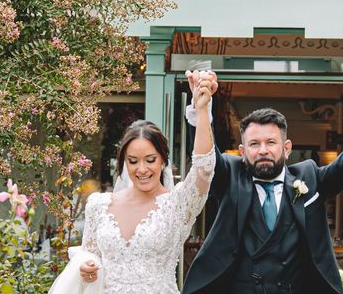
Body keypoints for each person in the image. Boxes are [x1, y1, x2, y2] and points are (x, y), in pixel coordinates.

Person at [182, 65, 343, 294]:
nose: (263, 150)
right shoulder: (229, 175)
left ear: (286, 148)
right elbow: (206, 158)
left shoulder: (309, 178)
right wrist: (201, 108)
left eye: (271, 142)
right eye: (254, 144)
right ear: (242, 152)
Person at [47, 70, 216, 294]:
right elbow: (90, 257)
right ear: (123, 163)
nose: (142, 169)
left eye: (150, 160)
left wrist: (202, 110)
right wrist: (86, 268)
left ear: (163, 161)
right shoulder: (98, 205)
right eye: (133, 161)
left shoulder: (177, 205)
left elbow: (204, 168)